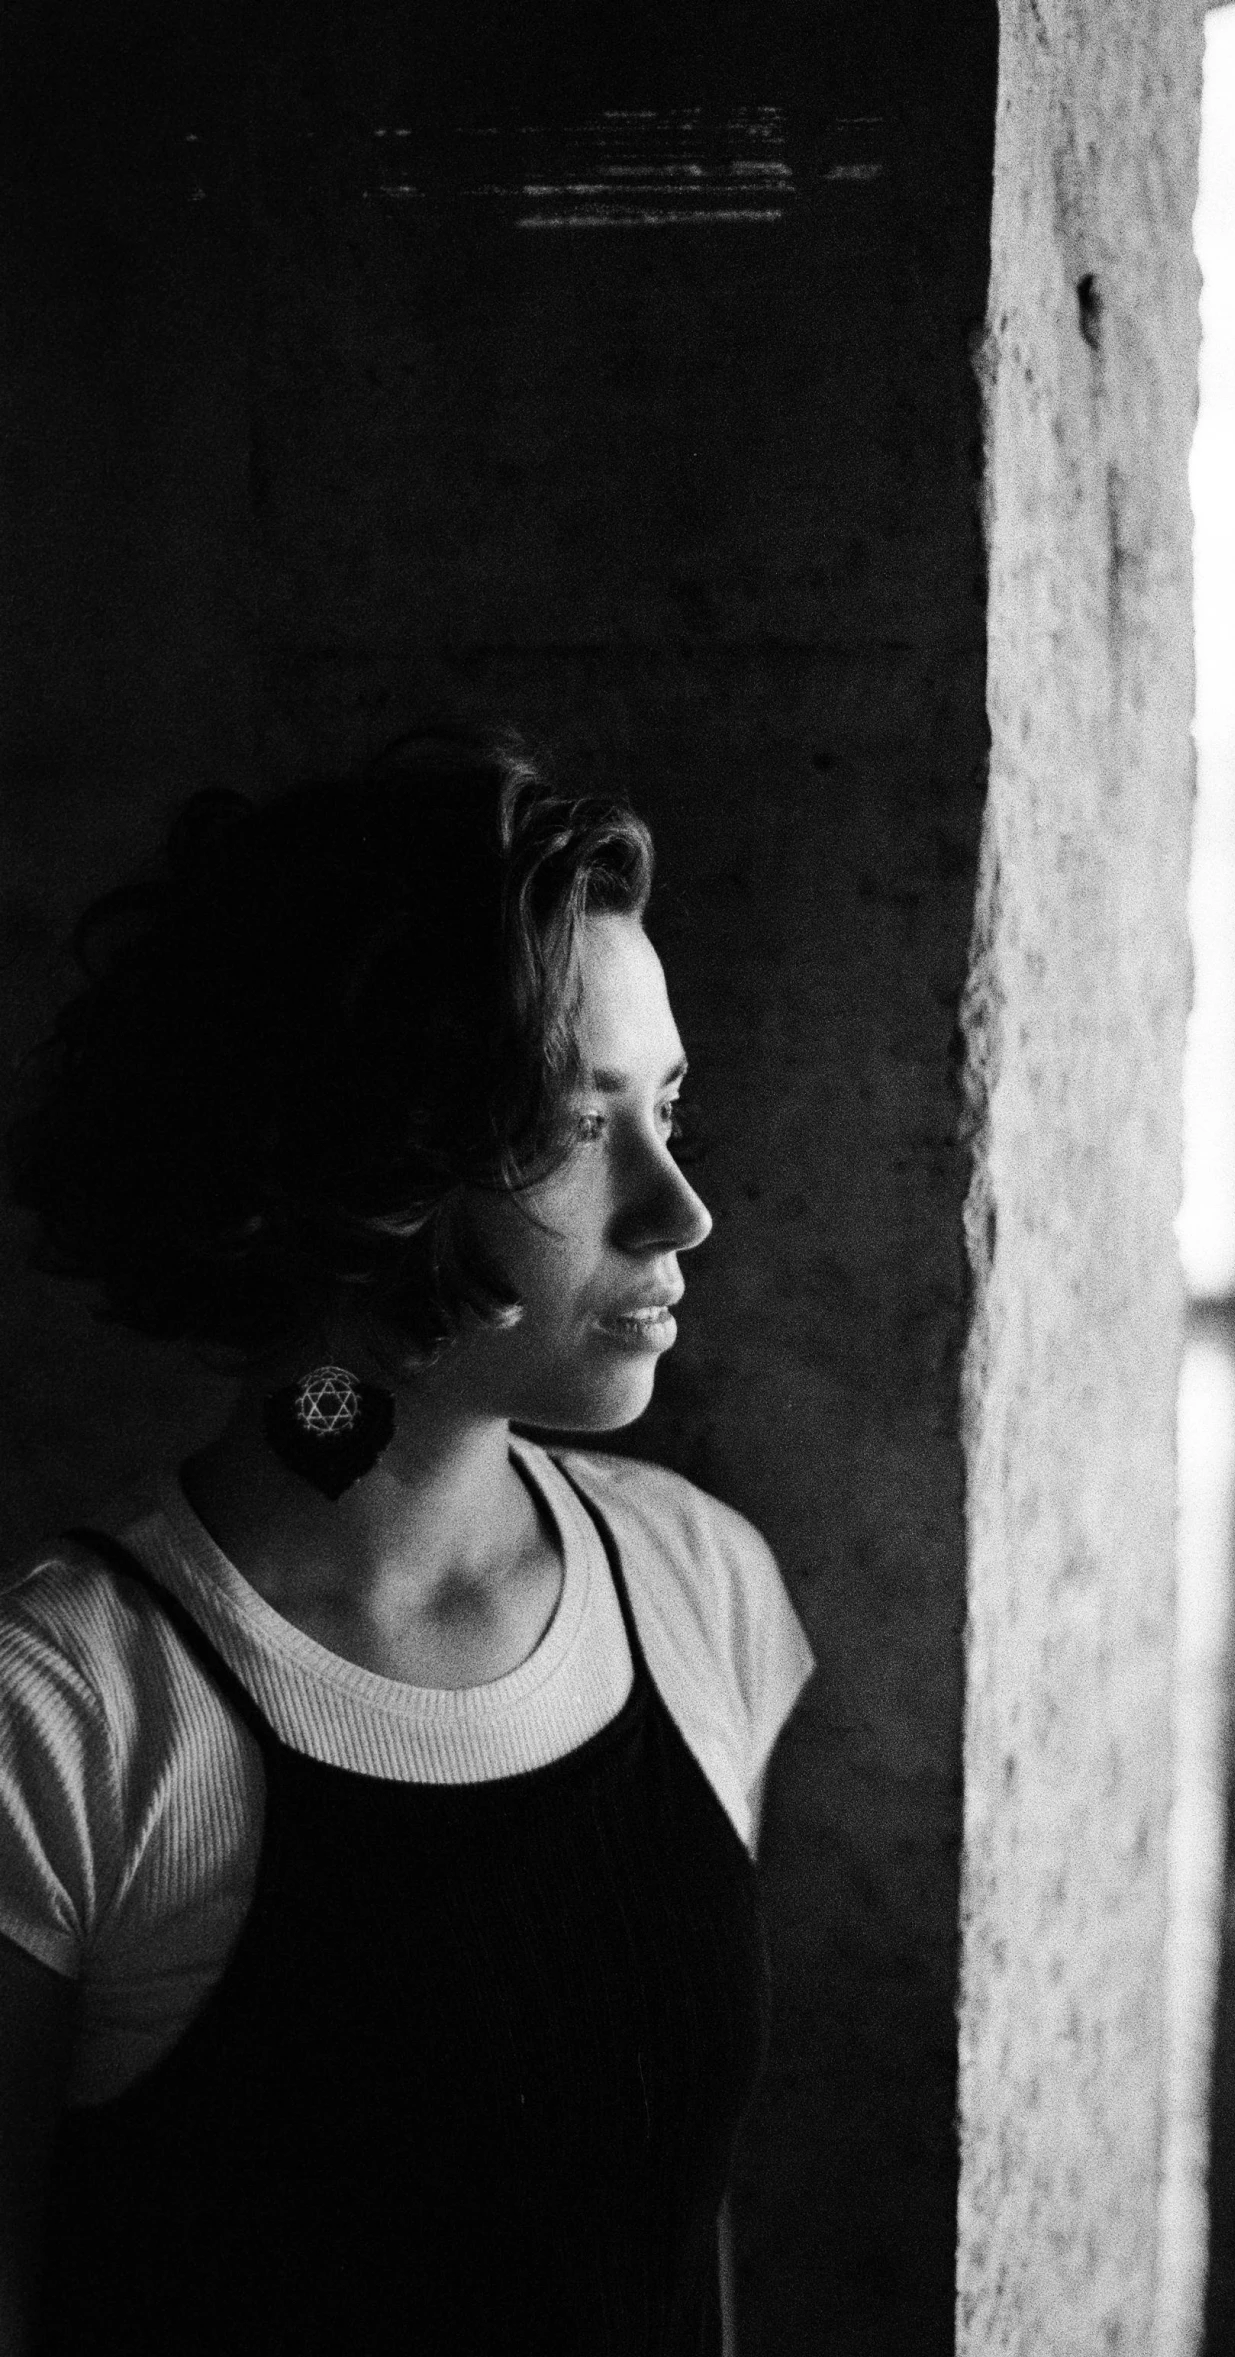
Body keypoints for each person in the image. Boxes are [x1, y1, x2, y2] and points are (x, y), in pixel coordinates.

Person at [0, 732, 814, 2355]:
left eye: (668, 1108)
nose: (679, 1209)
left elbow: (665, 2232)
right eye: (582, 1130)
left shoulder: (701, 1590)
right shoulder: (66, 1723)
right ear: (375, 1162)